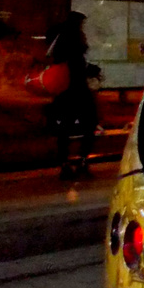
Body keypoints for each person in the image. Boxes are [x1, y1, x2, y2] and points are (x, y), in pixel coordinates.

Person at [47, 11, 99, 180]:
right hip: (78, 93)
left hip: (63, 94)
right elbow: (78, 68)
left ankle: (64, 164)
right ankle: (83, 162)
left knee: (64, 129)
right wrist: (90, 70)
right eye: (81, 24)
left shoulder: (60, 39)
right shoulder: (74, 40)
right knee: (90, 124)